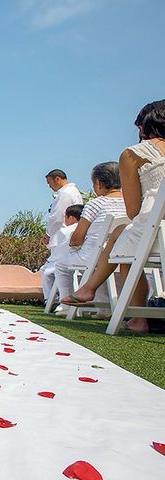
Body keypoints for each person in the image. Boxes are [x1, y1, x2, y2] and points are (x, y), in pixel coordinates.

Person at [62, 100, 165, 333]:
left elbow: (133, 211)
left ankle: (95, 291)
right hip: (153, 232)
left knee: (123, 240)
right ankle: (96, 293)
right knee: (124, 237)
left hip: (157, 229)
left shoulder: (134, 154)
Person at [55, 162, 126, 308]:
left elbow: (76, 239)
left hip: (93, 256)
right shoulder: (130, 204)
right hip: (123, 254)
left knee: (60, 264)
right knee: (101, 266)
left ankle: (65, 305)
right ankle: (105, 307)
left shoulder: (95, 204)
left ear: (98, 183)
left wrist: (74, 243)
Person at [40, 204, 83, 305]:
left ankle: (51, 298)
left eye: (65, 217)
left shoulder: (64, 231)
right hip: (88, 261)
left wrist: (47, 246)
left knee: (45, 271)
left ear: (71, 218)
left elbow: (58, 251)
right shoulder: (88, 228)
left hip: (67, 262)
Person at [43, 169, 82, 247]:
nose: (49, 186)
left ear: (57, 179)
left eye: (49, 183)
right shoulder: (73, 191)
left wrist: (48, 235)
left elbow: (57, 217)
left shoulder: (65, 194)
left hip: (62, 238)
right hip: (71, 234)